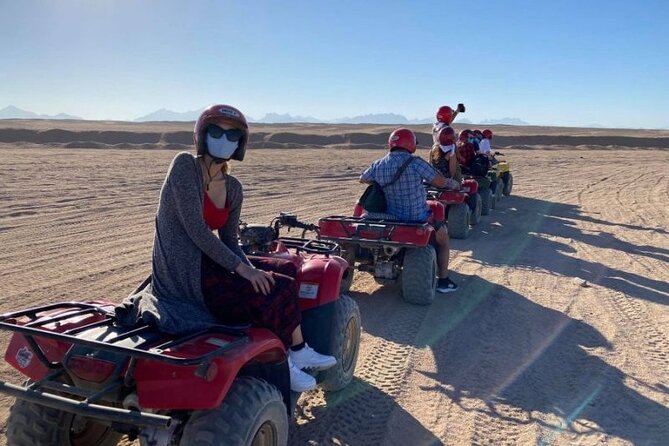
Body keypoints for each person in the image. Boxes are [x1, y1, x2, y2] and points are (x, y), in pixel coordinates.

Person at [125, 104, 335, 392]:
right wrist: (244, 272)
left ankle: (298, 349)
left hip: (210, 262)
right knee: (273, 289)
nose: (224, 138)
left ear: (241, 143)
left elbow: (229, 240)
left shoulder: (233, 187)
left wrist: (248, 268)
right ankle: (283, 359)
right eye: (216, 131)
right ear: (201, 135)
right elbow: (196, 230)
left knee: (285, 269)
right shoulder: (184, 166)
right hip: (183, 271)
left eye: (232, 134)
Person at [359, 128, 458, 293]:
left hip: (391, 216)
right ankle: (443, 279)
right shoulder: (415, 162)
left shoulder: (379, 163)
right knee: (443, 236)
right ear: (410, 144)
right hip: (415, 217)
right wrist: (451, 183)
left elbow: (362, 178)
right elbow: (440, 182)